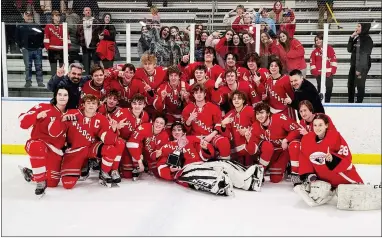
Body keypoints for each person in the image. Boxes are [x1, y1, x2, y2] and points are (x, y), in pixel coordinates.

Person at [156, 122, 264, 196]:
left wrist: (205, 148)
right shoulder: (167, 146)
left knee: (222, 165)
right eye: (174, 130)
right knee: (198, 172)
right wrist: (169, 170)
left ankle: (247, 182)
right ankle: (218, 184)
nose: (176, 132)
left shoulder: (192, 139)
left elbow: (208, 153)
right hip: (184, 170)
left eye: (179, 129)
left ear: (184, 132)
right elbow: (160, 166)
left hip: (201, 163)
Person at [51, 94, 125, 188]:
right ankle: (83, 165)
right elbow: (55, 133)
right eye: (88, 103)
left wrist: (113, 130)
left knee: (110, 149)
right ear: (83, 105)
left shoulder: (102, 119)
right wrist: (60, 120)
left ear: (98, 105)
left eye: (94, 103)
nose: (91, 105)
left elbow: (107, 140)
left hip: (91, 148)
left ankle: (104, 172)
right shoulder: (72, 114)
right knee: (68, 184)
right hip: (75, 151)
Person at [294, 113, 364, 207]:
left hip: (341, 177)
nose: (317, 128)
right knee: (316, 194)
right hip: (324, 179)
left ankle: (352, 187)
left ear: (326, 125)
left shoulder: (335, 137)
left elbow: (347, 158)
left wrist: (333, 159)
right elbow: (305, 158)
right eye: (315, 125)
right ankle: (330, 191)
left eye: (320, 125)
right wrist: (309, 174)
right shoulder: (307, 139)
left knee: (346, 194)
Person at [18, 86, 70, 195]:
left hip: (55, 151)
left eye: (65, 95)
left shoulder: (70, 114)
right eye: (59, 94)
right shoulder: (43, 107)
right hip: (38, 144)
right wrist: (36, 116)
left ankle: (31, 173)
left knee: (52, 183)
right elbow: (22, 121)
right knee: (37, 146)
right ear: (55, 96)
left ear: (69, 97)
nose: (62, 97)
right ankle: (40, 181)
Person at [250, 102, 301, 183]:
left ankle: (291, 168)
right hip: (270, 154)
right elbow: (252, 149)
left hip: (282, 152)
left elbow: (297, 129)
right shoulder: (254, 126)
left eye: (262, 112)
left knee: (275, 179)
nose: (260, 116)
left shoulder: (279, 118)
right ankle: (260, 171)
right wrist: (248, 139)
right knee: (267, 145)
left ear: (268, 113)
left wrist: (286, 140)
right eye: (257, 113)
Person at [182, 84, 231, 160]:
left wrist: (210, 136)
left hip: (211, 135)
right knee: (206, 152)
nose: (199, 95)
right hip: (197, 137)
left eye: (201, 92)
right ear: (193, 95)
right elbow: (185, 130)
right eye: (196, 93)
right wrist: (189, 120)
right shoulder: (187, 109)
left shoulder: (213, 107)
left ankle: (226, 165)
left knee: (224, 142)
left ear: (205, 94)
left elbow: (218, 124)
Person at [125, 114, 170, 179]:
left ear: (164, 126)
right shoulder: (144, 127)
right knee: (127, 175)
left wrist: (156, 155)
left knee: (158, 174)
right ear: (153, 122)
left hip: (149, 157)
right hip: (137, 154)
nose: (158, 124)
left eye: (161, 123)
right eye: (157, 122)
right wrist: (139, 161)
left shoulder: (165, 136)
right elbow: (132, 142)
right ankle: (138, 165)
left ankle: (146, 165)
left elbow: (157, 153)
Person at [219, 90, 257, 167]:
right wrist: (223, 124)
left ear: (243, 100)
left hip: (250, 144)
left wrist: (248, 130)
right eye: (234, 99)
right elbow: (227, 135)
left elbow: (258, 126)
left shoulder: (250, 110)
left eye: (239, 98)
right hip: (235, 148)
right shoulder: (229, 114)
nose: (236, 100)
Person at [153, 66, 191, 131]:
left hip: (182, 116)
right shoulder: (163, 87)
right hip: (168, 116)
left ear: (179, 77)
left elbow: (191, 107)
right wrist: (161, 98)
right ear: (168, 77)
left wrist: (187, 99)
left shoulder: (186, 86)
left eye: (175, 75)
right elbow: (157, 108)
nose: (173, 78)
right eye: (171, 75)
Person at [15, 11, 45, 88]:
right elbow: (17, 37)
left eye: (30, 15)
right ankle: (28, 82)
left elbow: (42, 36)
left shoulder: (37, 26)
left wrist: (41, 46)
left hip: (37, 49)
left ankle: (40, 82)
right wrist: (21, 46)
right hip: (26, 49)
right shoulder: (20, 26)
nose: (29, 17)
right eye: (27, 15)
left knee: (39, 66)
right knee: (28, 67)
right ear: (24, 16)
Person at [347, 23, 373, 103]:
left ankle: (359, 104)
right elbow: (349, 49)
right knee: (350, 84)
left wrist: (359, 69)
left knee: (360, 86)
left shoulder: (367, 40)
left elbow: (364, 55)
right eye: (356, 26)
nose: (356, 28)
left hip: (363, 66)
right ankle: (350, 103)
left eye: (358, 26)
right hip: (354, 65)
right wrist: (351, 37)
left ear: (364, 28)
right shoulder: (357, 38)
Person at [310, 34, 337, 102]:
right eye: (316, 40)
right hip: (319, 75)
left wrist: (331, 71)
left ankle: (328, 103)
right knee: (320, 90)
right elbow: (312, 63)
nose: (318, 41)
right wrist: (316, 73)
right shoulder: (314, 52)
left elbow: (333, 60)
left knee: (329, 89)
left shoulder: (330, 49)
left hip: (328, 74)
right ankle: (320, 103)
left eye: (319, 39)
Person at [44, 10, 71, 77]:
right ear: (52, 17)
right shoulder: (48, 26)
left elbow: (67, 38)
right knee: (53, 69)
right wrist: (48, 49)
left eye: (59, 15)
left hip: (62, 50)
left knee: (63, 68)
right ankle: (53, 83)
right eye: (56, 15)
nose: (58, 17)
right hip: (52, 50)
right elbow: (46, 39)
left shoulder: (63, 26)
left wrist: (67, 48)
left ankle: (62, 83)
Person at [76, 7, 101, 74]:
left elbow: (100, 33)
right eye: (86, 10)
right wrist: (81, 43)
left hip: (94, 46)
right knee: (86, 64)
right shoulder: (80, 22)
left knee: (96, 64)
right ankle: (86, 78)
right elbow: (77, 34)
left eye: (89, 10)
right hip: (84, 46)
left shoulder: (96, 21)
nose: (88, 11)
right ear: (83, 12)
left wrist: (97, 42)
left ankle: (97, 76)